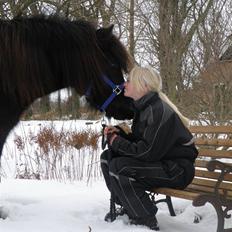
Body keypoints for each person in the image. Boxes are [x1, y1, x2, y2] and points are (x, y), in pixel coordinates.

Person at [100, 66, 198, 230]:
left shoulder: (158, 111)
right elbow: (143, 143)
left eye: (129, 80)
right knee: (107, 158)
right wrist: (120, 135)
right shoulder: (144, 109)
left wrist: (116, 141)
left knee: (119, 166)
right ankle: (129, 205)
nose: (125, 84)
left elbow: (146, 152)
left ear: (143, 86)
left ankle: (144, 218)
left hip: (177, 170)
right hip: (161, 164)